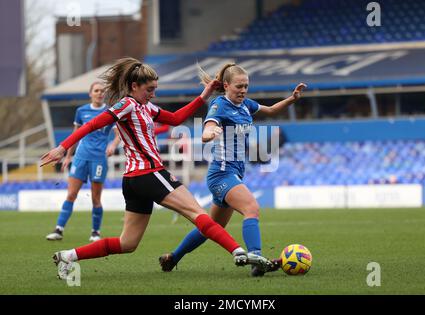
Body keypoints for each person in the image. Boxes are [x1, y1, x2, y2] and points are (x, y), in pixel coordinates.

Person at [40, 57, 273, 280]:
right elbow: (93, 124)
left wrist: (204, 95)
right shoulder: (127, 104)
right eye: (150, 89)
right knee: (197, 213)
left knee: (127, 244)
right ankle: (238, 252)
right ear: (134, 86)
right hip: (149, 173)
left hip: (133, 180)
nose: (153, 94)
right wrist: (63, 147)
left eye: (155, 89)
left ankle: (68, 256)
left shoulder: (146, 106)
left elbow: (174, 118)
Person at [159, 63, 307, 277]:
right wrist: (209, 133)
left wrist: (292, 99)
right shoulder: (220, 104)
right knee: (252, 208)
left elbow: (272, 110)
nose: (243, 90)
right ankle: (256, 258)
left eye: (246, 86)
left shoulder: (246, 105)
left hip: (233, 173)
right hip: (221, 173)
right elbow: (208, 126)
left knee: (210, 228)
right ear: (226, 85)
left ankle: (173, 258)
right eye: (239, 86)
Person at [46, 82, 121, 242]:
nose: (100, 93)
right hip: (80, 157)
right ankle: (58, 229)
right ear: (90, 93)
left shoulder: (110, 112)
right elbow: (76, 134)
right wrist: (68, 156)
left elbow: (118, 134)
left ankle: (95, 232)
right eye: (96, 90)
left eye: (102, 91)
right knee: (71, 194)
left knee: (95, 198)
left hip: (99, 159)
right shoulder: (81, 111)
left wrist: (113, 144)